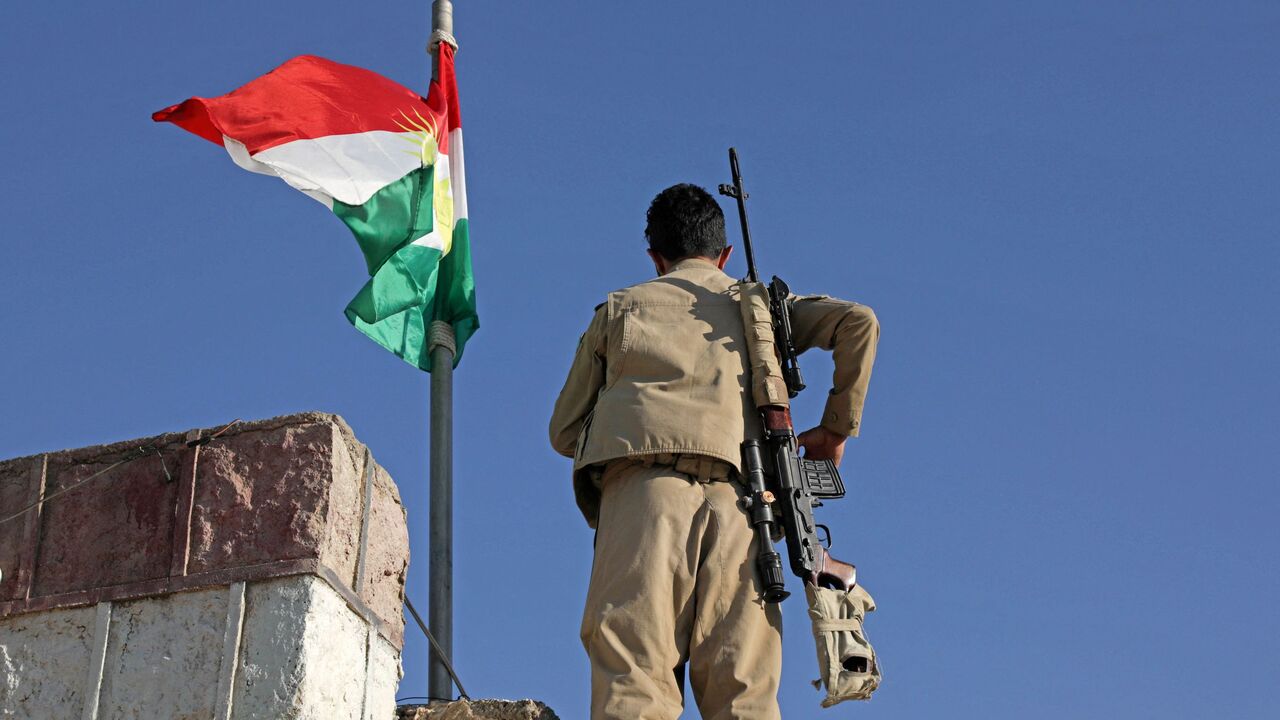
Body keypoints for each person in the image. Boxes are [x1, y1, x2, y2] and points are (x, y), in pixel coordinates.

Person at [549, 183, 879, 720]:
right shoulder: (762, 313)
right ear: (724, 254)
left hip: (644, 499)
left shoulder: (621, 309)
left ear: (656, 257)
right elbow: (858, 322)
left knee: (634, 677)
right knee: (742, 693)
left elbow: (563, 432)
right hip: (747, 504)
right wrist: (835, 429)